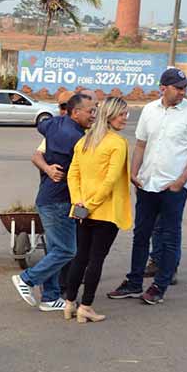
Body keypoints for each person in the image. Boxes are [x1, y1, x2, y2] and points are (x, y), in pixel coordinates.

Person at [107, 68, 187, 305]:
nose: (183, 92)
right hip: (147, 184)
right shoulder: (149, 110)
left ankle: (160, 286)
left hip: (173, 188)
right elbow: (141, 144)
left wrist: (181, 181)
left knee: (169, 237)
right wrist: (134, 173)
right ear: (163, 88)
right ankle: (134, 282)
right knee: (141, 235)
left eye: (185, 87)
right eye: (178, 87)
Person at [11, 92, 95, 311]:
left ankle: (50, 297)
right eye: (90, 111)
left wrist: (48, 167)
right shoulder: (75, 138)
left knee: (57, 249)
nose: (93, 115)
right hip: (58, 200)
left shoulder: (53, 124)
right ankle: (27, 279)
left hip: (50, 198)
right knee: (67, 251)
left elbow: (43, 127)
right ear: (75, 112)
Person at [63, 97, 133, 323]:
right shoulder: (117, 143)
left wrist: (79, 202)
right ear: (111, 116)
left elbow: (73, 174)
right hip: (106, 211)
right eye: (122, 114)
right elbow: (111, 180)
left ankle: (69, 302)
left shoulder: (84, 141)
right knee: (96, 259)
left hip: (82, 210)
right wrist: (92, 204)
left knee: (80, 256)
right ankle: (86, 306)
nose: (125, 119)